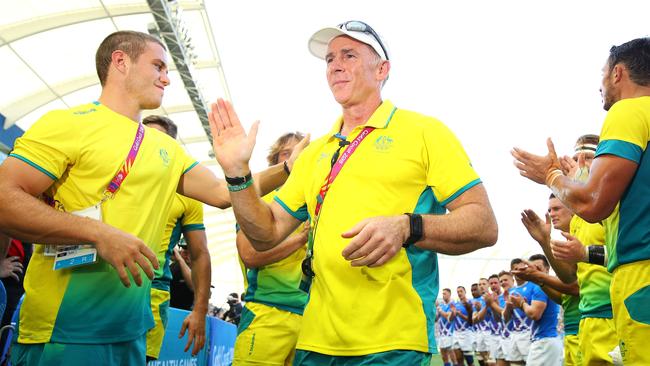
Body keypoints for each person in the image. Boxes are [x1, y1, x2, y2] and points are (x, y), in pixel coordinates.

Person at [0, 30, 299, 366]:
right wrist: (97, 233)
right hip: (66, 331)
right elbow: (5, 199)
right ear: (120, 61)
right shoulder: (67, 123)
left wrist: (286, 169)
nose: (167, 79)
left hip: (132, 330)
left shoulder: (168, 149)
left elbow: (220, 192)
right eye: (158, 66)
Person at [208, 20, 498, 364]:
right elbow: (264, 234)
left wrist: (407, 226)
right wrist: (237, 174)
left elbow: (483, 224)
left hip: (393, 342)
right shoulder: (315, 154)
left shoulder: (424, 132)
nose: (336, 66)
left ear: (382, 69)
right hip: (315, 341)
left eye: (349, 55)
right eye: (330, 59)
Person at [511, 37, 650, 365]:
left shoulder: (629, 111)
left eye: (602, 74)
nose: (599, 85)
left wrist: (551, 176)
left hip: (640, 275)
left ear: (617, 73)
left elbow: (593, 202)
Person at [233, 131, 309, 366]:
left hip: (311, 319)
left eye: (303, 152)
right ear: (276, 160)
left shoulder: (316, 200)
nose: (297, 158)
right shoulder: (258, 200)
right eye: (288, 153)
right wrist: (300, 240)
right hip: (267, 311)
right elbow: (250, 255)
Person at [142, 115, 211, 361]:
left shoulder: (188, 193)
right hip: (106, 286)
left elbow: (201, 253)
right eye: (143, 135)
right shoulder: (115, 175)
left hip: (152, 293)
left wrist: (200, 309)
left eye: (156, 138)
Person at [519, 193, 581, 366]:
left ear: (573, 210)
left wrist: (538, 276)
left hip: (587, 328)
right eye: (549, 210)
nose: (551, 213)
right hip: (572, 332)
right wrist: (539, 280)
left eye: (556, 208)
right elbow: (564, 298)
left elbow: (576, 287)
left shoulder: (583, 241)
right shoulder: (568, 245)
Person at [509, 255, 562, 366]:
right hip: (549, 340)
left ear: (547, 269)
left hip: (544, 341)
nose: (534, 271)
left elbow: (534, 314)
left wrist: (521, 303)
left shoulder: (540, 286)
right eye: (531, 267)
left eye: (538, 268)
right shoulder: (546, 285)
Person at [452, 286, 475, 365]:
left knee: (469, 361)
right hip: (456, 333)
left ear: (465, 292)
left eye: (461, 291)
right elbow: (451, 319)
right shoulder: (455, 304)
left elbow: (471, 320)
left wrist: (460, 314)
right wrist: (453, 313)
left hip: (466, 333)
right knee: (458, 359)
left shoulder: (470, 303)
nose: (459, 293)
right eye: (458, 292)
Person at [437, 288, 457, 366]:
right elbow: (436, 318)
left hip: (449, 333)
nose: (443, 295)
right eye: (442, 294)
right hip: (442, 334)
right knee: (443, 354)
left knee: (451, 354)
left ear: (449, 294)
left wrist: (440, 310)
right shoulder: (441, 305)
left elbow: (447, 316)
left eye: (444, 293)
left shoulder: (452, 305)